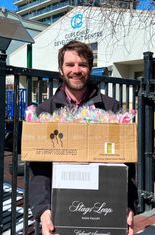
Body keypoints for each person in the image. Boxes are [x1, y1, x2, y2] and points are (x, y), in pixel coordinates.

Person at [29, 40, 138, 235]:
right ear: (61, 70)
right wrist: (43, 211)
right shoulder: (45, 112)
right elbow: (39, 169)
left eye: (83, 64)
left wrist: (128, 206)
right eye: (70, 64)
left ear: (90, 68)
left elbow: (127, 163)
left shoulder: (111, 108)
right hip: (60, 214)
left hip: (105, 212)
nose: (76, 70)